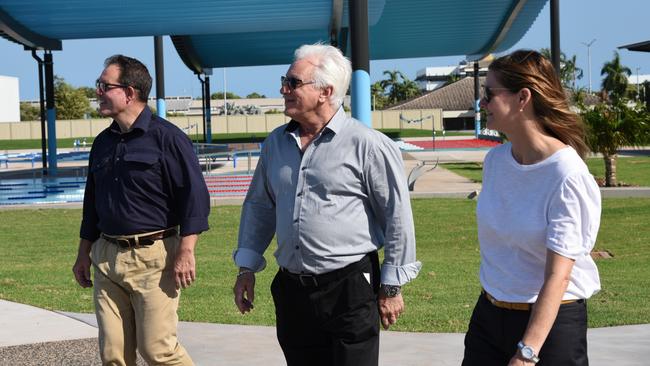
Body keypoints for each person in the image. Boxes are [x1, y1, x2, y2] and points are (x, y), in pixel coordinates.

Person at [232, 43, 421, 366]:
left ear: (325, 91)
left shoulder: (368, 144)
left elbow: (397, 217)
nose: (283, 89)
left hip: (349, 288)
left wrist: (391, 287)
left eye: (293, 83)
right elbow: (260, 207)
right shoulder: (276, 143)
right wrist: (246, 267)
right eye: (285, 81)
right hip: (293, 290)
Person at [462, 49, 601, 366]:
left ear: (522, 97)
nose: (482, 103)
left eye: (490, 94)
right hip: (490, 315)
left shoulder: (567, 175)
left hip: (551, 328)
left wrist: (527, 352)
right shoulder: (495, 161)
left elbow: (558, 277)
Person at [72, 54, 210, 366]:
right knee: (114, 356)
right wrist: (84, 252)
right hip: (106, 256)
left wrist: (186, 251)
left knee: (157, 351)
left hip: (154, 258)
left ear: (130, 92)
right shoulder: (102, 143)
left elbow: (195, 198)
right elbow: (91, 204)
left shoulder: (168, 138)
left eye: (104, 86)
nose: (98, 92)